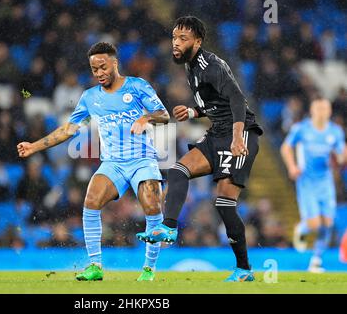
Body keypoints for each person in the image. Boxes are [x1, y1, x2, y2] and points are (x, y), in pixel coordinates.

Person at [17, 42, 170, 281]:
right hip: (112, 163)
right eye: (94, 69)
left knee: (152, 204)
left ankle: (149, 269)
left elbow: (164, 115)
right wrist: (34, 146)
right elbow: (68, 130)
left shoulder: (138, 86)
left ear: (115, 63)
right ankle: (95, 266)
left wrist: (145, 118)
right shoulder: (90, 97)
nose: (98, 73)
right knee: (90, 201)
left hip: (142, 159)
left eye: (102, 67)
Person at [137, 16, 263, 282]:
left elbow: (237, 99)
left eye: (183, 38)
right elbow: (216, 103)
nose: (176, 43)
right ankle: (169, 227)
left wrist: (238, 138)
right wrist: (193, 111)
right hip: (217, 133)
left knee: (225, 203)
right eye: (174, 37)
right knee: (178, 170)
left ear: (198, 41)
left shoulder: (210, 65)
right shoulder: (190, 66)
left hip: (238, 134)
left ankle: (244, 269)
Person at [281, 98, 346, 273]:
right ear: (312, 110)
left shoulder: (335, 131)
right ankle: (301, 228)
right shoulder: (301, 129)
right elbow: (286, 147)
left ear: (330, 111)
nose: (322, 111)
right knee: (315, 223)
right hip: (307, 181)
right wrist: (292, 166)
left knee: (328, 222)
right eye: (318, 108)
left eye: (325, 108)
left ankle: (316, 260)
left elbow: (341, 154)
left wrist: (340, 158)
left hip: (325, 181)